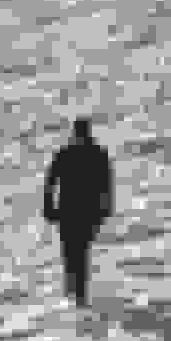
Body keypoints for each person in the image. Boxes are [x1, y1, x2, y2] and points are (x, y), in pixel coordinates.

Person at [42, 119, 115, 306]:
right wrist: (106, 207)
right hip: (85, 211)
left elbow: (50, 181)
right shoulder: (98, 155)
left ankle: (75, 291)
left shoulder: (66, 154)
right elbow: (107, 184)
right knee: (78, 250)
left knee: (73, 250)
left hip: (71, 211)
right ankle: (76, 292)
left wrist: (48, 206)